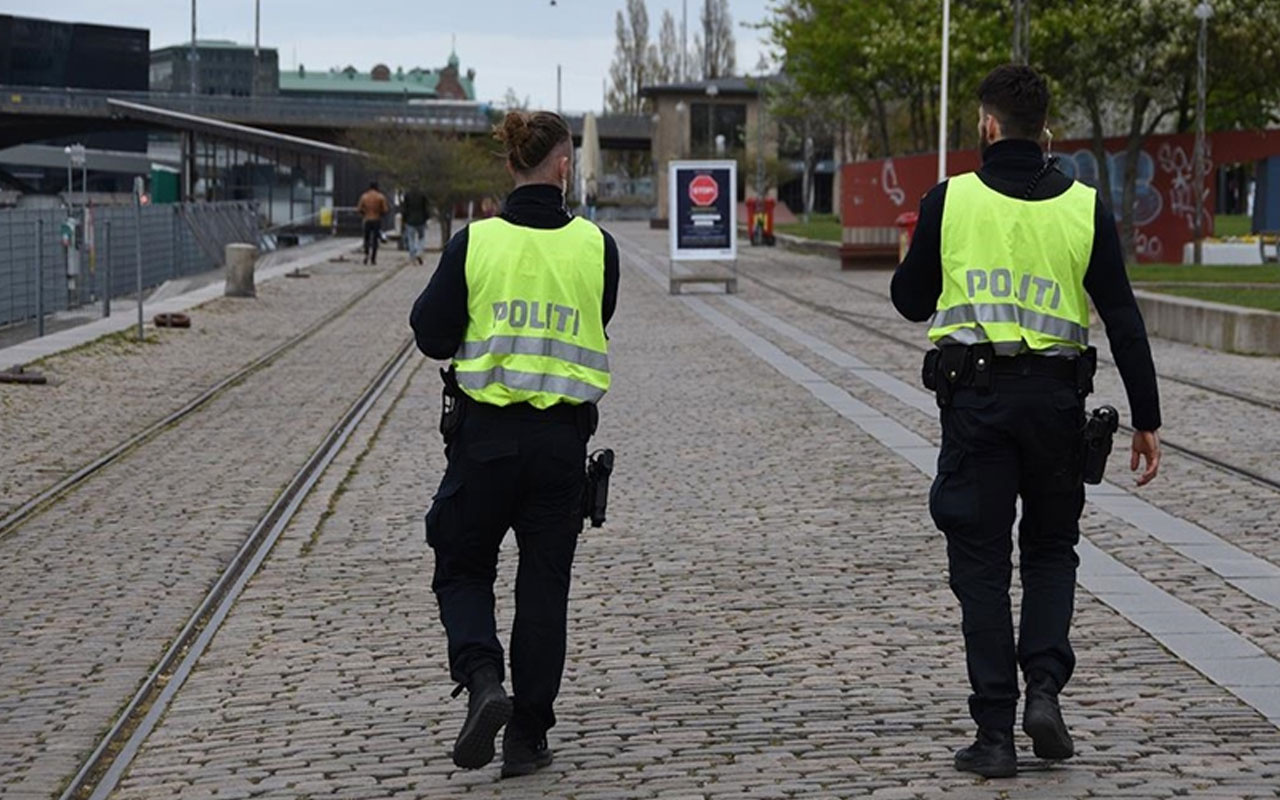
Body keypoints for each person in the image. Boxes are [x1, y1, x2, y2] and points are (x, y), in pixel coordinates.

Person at [891, 65, 1162, 778]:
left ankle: (994, 734)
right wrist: (1147, 417)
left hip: (976, 405)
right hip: (1055, 405)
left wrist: (924, 244)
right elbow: (1125, 318)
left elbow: (910, 302)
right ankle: (1044, 686)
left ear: (986, 126)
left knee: (981, 566)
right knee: (1050, 550)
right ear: (1046, 131)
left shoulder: (949, 201)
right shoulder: (1084, 206)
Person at [409, 110, 619, 779]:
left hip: (485, 441)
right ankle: (527, 737)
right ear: (564, 167)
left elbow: (432, 334)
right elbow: (600, 313)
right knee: (544, 589)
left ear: (509, 166)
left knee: (462, 565)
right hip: (561, 448)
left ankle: (481, 680)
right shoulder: (596, 246)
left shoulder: (476, 244)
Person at [357, 181, 389, 265]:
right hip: (376, 219)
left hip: (367, 219)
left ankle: (366, 253)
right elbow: (385, 209)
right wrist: (380, 213)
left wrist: (364, 213)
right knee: (375, 240)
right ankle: (373, 258)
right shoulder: (380, 197)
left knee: (366, 238)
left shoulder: (364, 196)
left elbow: (359, 208)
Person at [402, 186, 430, 265]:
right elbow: (426, 208)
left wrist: (404, 219)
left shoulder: (407, 195)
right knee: (421, 238)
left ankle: (412, 256)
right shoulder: (422, 195)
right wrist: (426, 218)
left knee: (411, 239)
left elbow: (405, 208)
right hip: (421, 220)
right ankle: (419, 252)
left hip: (410, 220)